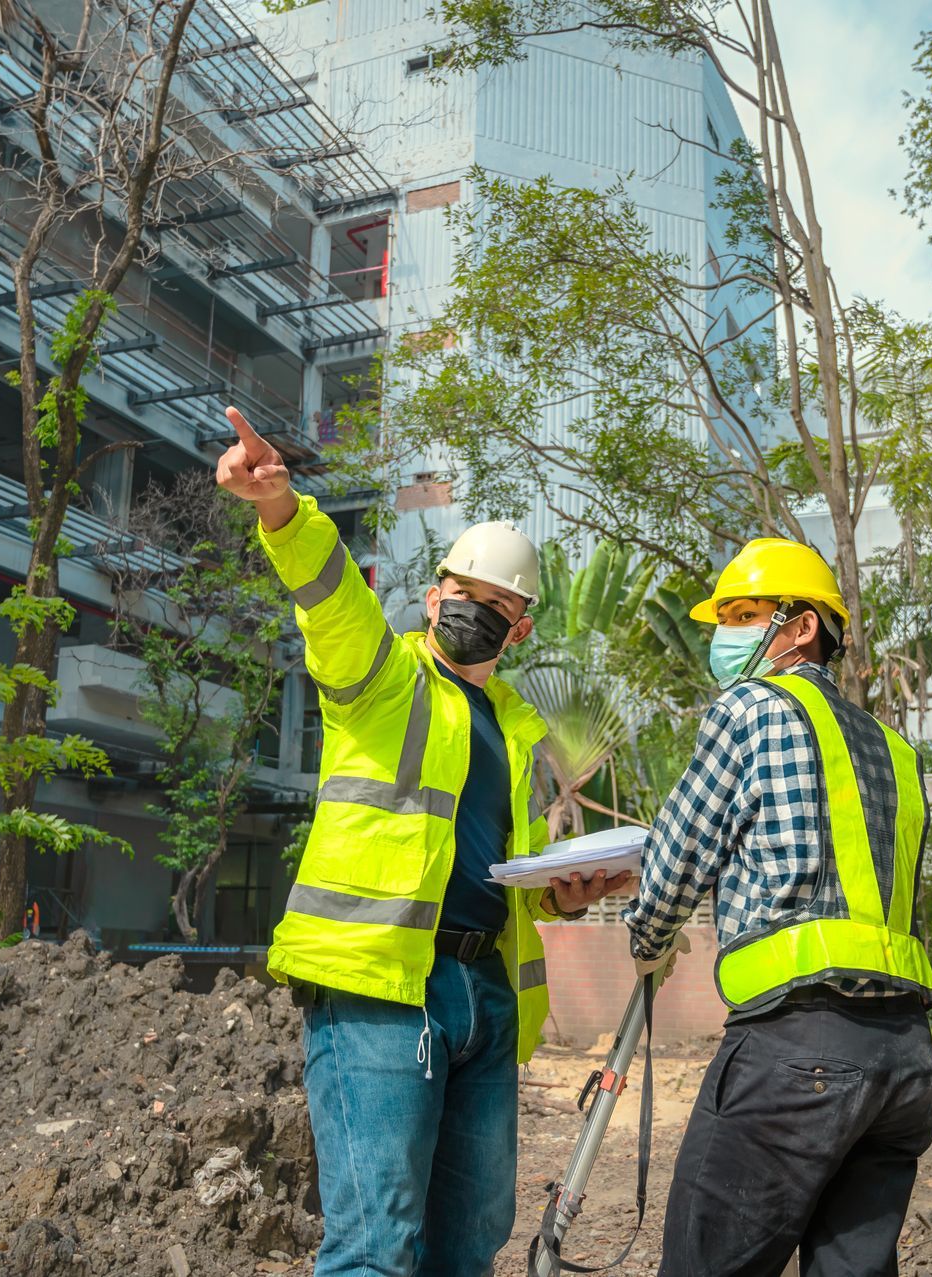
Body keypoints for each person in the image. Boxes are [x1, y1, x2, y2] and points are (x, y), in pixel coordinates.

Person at [215, 405, 627, 1277]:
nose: (473, 612)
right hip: (381, 986)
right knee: (374, 1247)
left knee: (469, 1246)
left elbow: (491, 867)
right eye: (462, 593)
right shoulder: (381, 677)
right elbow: (332, 601)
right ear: (435, 594)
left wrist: (563, 892)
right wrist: (284, 511)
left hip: (484, 993)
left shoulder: (516, 731)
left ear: (520, 630)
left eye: (497, 607)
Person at [623, 538, 932, 1277]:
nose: (725, 631)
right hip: (904, 1062)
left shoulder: (752, 709)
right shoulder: (897, 747)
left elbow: (679, 852)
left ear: (801, 626)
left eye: (744, 613)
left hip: (797, 1054)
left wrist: (648, 937)